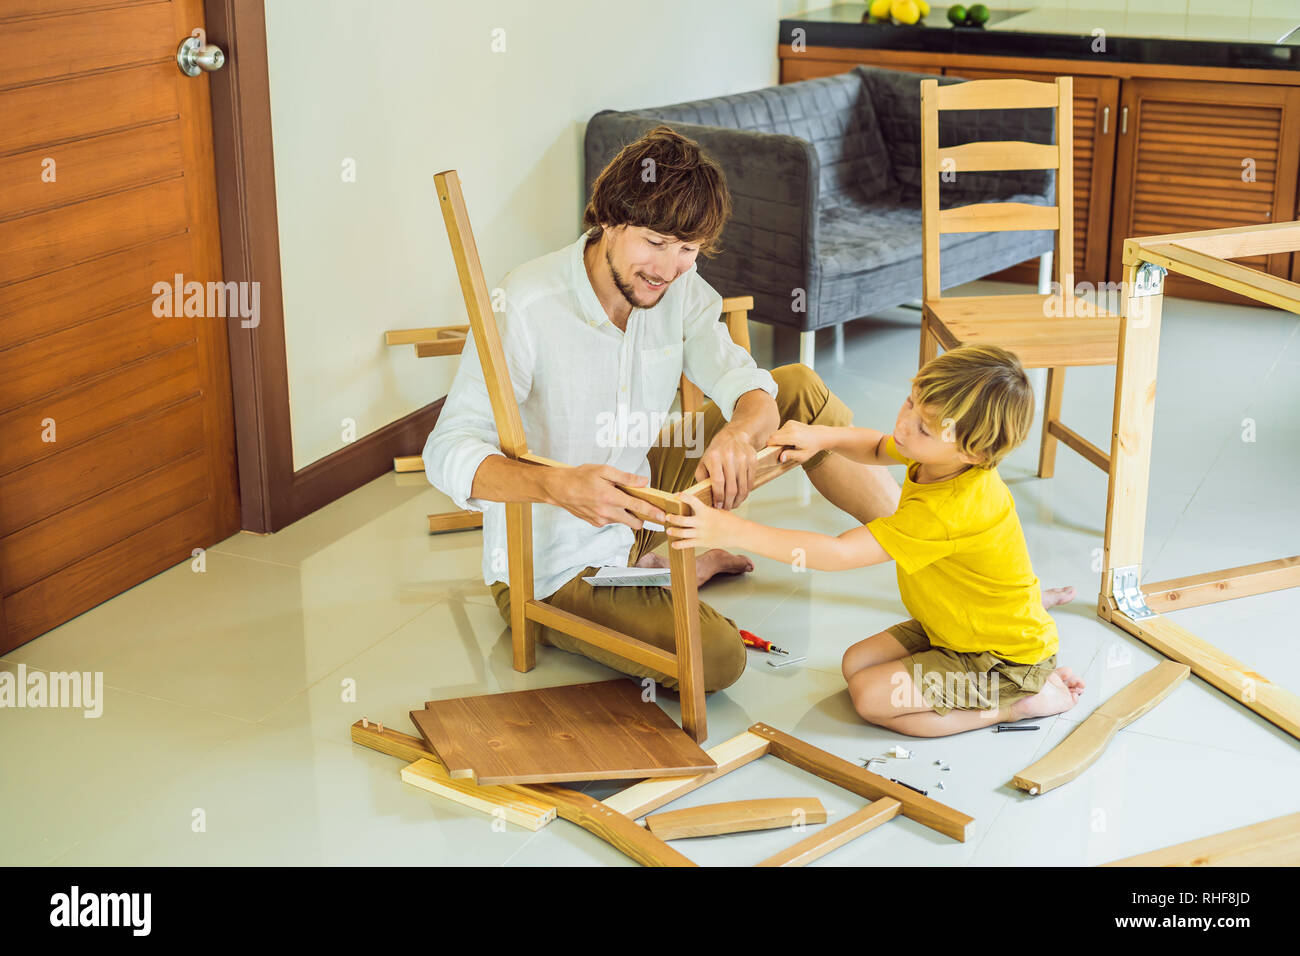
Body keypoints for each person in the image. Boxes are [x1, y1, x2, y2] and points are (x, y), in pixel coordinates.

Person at [424, 125, 900, 692]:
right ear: (608, 219)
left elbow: (748, 385)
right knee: (716, 657)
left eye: (688, 249)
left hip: (643, 500)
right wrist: (560, 486)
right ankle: (662, 574)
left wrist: (740, 433)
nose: (669, 269)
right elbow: (447, 451)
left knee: (796, 389)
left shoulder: (679, 285)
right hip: (554, 562)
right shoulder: (525, 302)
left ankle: (925, 544)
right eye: (655, 242)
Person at [665, 344, 1084, 735]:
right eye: (910, 402)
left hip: (1001, 661)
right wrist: (822, 437)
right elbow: (879, 446)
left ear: (972, 452)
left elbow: (840, 552)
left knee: (870, 698)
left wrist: (735, 530)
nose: (903, 425)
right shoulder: (938, 453)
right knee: (855, 663)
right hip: (954, 631)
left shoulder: (948, 510)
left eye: (923, 427)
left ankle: (1018, 704)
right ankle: (1003, 684)